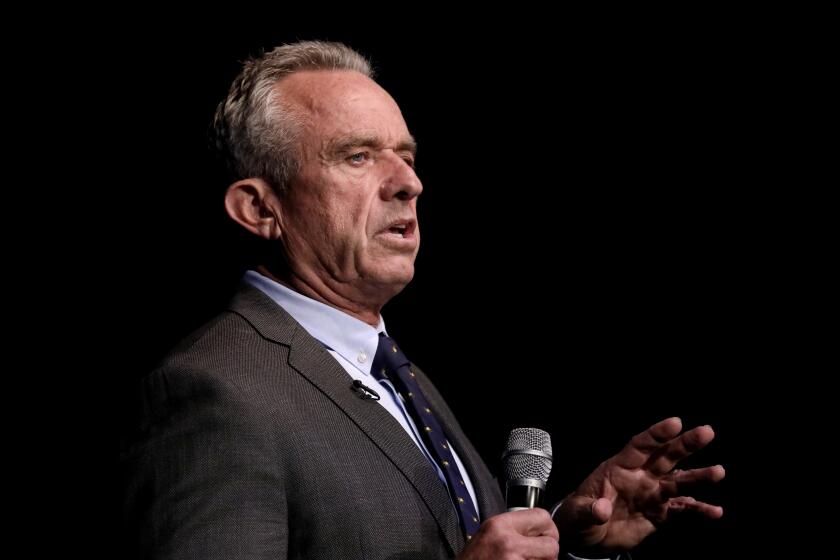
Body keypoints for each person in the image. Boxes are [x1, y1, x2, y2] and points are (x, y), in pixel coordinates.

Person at [121, 40, 725, 559]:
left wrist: (566, 537)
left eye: (405, 156)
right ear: (260, 208)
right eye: (357, 156)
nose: (409, 182)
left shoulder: (391, 371)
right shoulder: (214, 391)